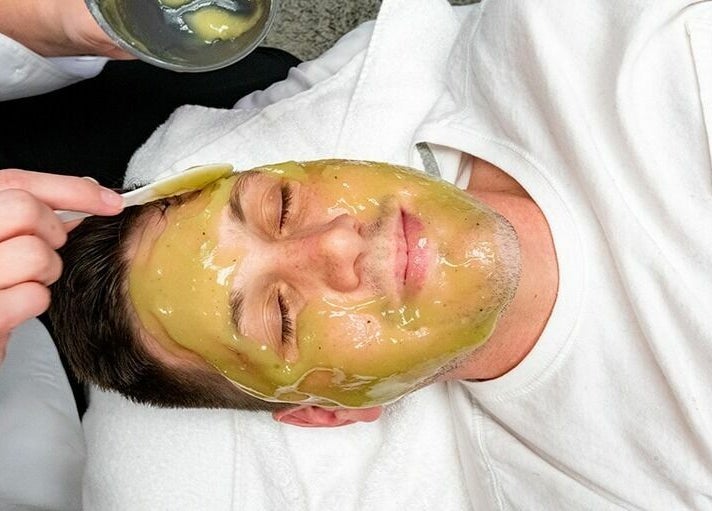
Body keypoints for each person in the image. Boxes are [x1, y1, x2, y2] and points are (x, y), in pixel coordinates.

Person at [48, 0, 712, 509]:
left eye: (281, 206)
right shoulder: (587, 488)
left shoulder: (590, 36)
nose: (337, 243)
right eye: (282, 314)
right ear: (328, 411)